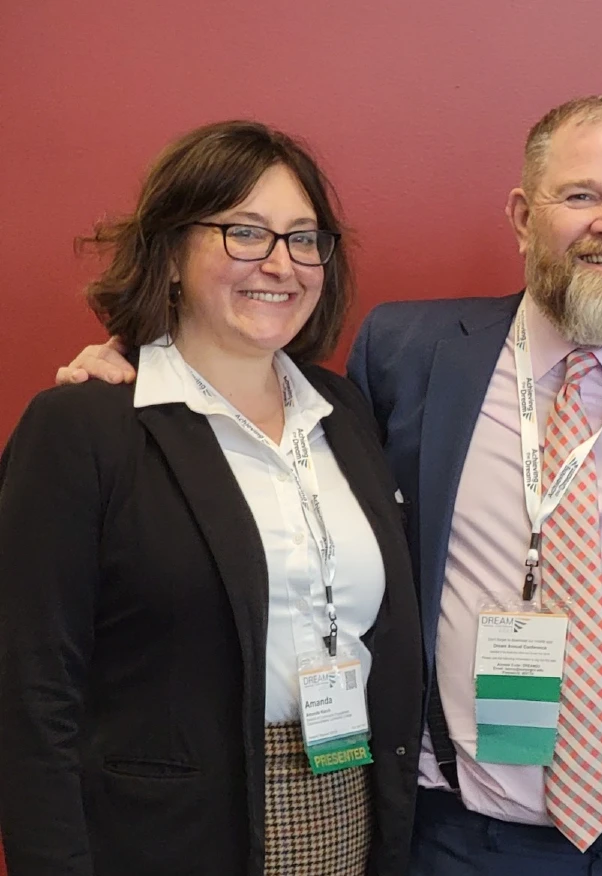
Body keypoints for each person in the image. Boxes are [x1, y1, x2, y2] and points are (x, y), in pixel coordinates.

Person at [58, 95, 602, 876]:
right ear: (523, 216)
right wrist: (138, 361)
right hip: (449, 842)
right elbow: (253, 393)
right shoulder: (409, 357)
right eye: (580, 196)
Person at [0, 121, 423, 875]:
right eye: (245, 233)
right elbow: (30, 697)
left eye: (303, 238)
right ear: (169, 254)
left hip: (348, 815)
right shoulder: (84, 428)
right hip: (168, 841)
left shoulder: (344, 413)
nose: (281, 264)